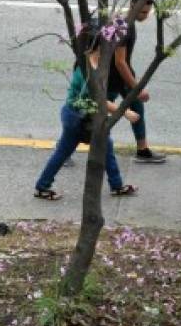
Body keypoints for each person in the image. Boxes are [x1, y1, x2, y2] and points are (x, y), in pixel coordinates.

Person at [34, 32, 139, 200]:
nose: (111, 48)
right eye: (107, 44)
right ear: (96, 47)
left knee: (73, 150)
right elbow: (97, 99)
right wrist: (126, 112)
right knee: (72, 150)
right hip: (78, 118)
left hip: (74, 114)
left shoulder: (90, 63)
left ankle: (42, 186)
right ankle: (116, 185)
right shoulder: (89, 70)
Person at [108, 0, 166, 163]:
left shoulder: (126, 23)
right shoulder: (124, 27)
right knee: (92, 111)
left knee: (137, 108)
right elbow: (119, 62)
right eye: (142, 12)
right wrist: (136, 87)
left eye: (147, 13)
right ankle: (65, 145)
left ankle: (143, 150)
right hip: (112, 78)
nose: (145, 16)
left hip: (122, 76)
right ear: (132, 5)